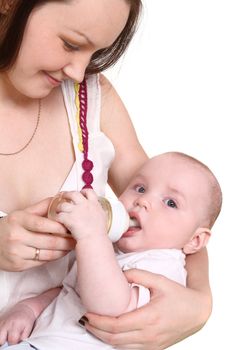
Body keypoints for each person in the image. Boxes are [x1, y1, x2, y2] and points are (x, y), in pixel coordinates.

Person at [0, 1, 214, 349]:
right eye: (71, 43)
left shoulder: (90, 101)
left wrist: (200, 301)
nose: (79, 72)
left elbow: (176, 215)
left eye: (96, 51)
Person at [0, 151, 222, 350]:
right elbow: (68, 291)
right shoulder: (111, 248)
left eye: (171, 203)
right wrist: (29, 309)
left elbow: (111, 308)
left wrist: (91, 236)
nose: (143, 201)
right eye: (140, 188)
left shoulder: (164, 265)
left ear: (196, 240)